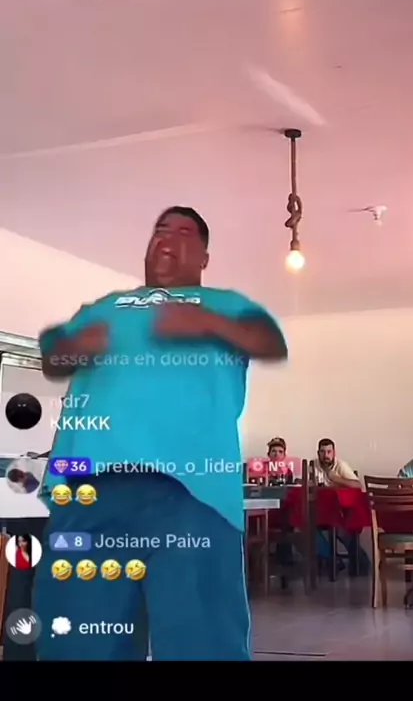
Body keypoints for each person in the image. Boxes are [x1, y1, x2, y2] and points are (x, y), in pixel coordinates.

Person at [33, 206, 287, 661]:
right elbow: (53, 357)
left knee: (204, 647)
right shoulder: (104, 307)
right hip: (88, 492)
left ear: (204, 258)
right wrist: (68, 347)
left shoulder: (225, 304)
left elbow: (269, 340)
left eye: (184, 231)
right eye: (160, 230)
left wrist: (210, 323)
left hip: (194, 493)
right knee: (77, 645)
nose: (167, 237)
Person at [315, 439, 370, 576]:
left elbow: (358, 485)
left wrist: (337, 479)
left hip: (341, 512)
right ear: (318, 453)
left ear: (334, 453)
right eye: (322, 452)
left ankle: (361, 562)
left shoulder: (340, 465)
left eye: (329, 452)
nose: (326, 455)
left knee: (341, 530)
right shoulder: (313, 466)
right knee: (307, 527)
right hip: (319, 510)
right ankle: (332, 558)